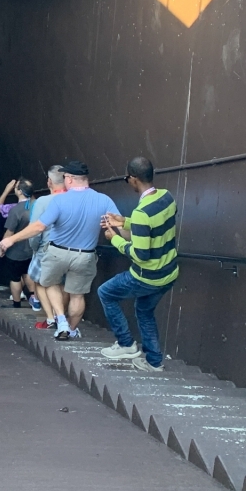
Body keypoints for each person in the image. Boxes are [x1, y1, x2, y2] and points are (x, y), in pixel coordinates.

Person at [0, 160, 118, 341]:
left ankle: (60, 320)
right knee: (77, 295)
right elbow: (120, 223)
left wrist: (11, 239)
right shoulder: (104, 199)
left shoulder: (59, 199)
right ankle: (71, 328)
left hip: (57, 252)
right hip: (85, 255)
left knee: (48, 283)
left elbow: (39, 227)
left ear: (69, 179)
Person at [99, 156, 179, 373]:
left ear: (133, 179)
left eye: (127, 178)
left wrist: (114, 238)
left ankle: (126, 344)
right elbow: (154, 224)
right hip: (168, 273)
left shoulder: (142, 212)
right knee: (144, 311)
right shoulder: (167, 197)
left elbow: (140, 254)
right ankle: (153, 362)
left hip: (147, 276)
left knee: (105, 293)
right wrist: (123, 221)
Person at [28, 166, 66, 328]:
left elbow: (35, 230)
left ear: (49, 182)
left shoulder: (42, 201)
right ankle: (62, 317)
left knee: (40, 281)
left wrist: (34, 247)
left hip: (46, 248)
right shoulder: (72, 199)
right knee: (64, 285)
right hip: (69, 249)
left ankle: (51, 317)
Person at [0, 179, 35, 307]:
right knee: (29, 273)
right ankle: (34, 299)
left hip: (16, 250)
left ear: (20, 191)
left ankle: (16, 303)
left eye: (16, 188)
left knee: (15, 277)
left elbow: (9, 232)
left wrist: (1, 249)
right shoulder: (38, 205)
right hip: (34, 248)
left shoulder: (16, 210)